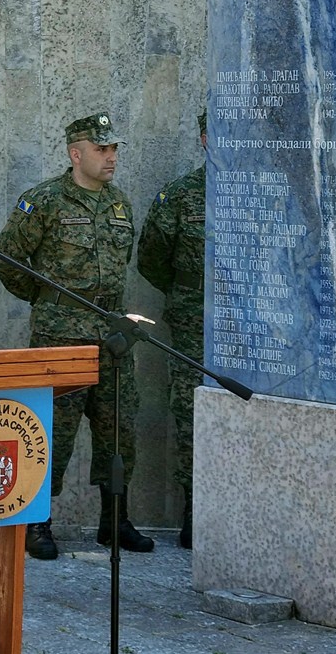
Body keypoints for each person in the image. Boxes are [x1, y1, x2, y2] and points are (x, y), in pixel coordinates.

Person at [0, 112, 154, 560]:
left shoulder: (120, 204)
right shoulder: (44, 201)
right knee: (51, 430)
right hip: (60, 337)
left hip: (113, 337)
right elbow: (8, 260)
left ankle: (114, 520)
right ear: (76, 153)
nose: (111, 157)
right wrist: (48, 302)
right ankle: (37, 522)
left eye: (114, 148)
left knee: (118, 429)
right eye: (101, 149)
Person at [136, 109, 207, 549]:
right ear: (205, 139)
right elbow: (152, 260)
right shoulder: (179, 197)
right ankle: (194, 508)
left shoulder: (265, 188)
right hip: (194, 323)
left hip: (252, 325)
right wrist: (187, 294)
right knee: (190, 411)